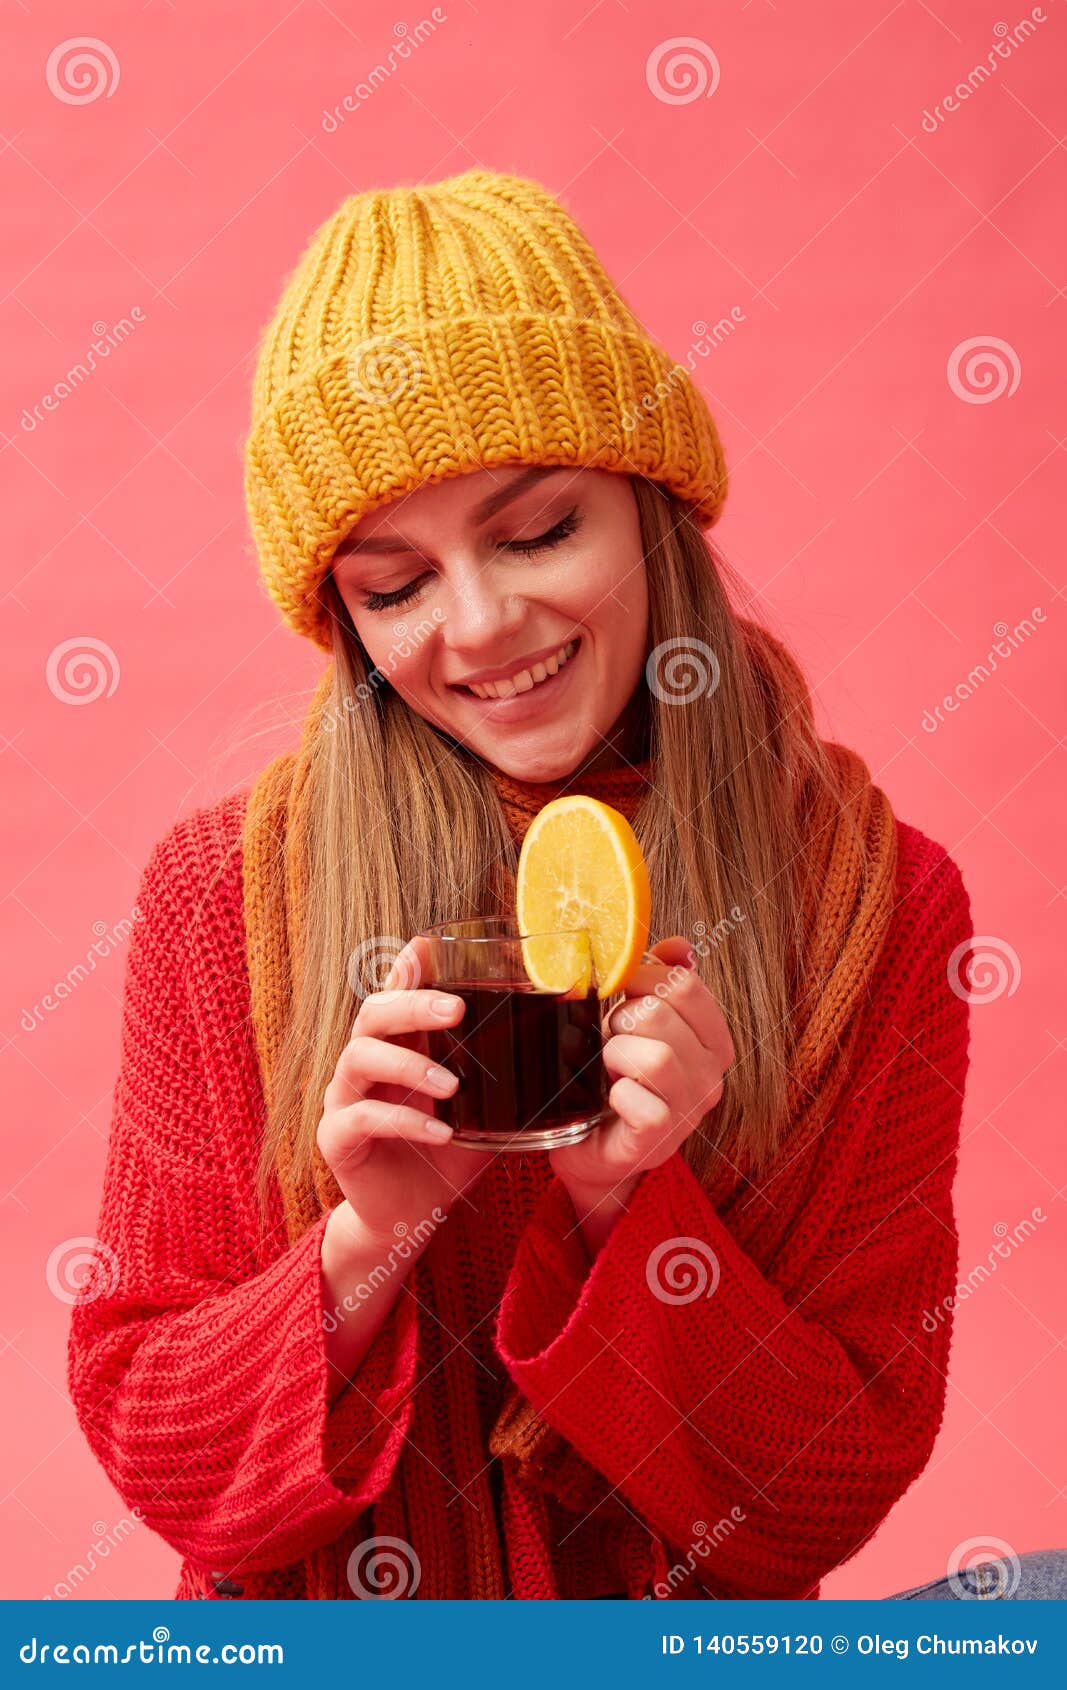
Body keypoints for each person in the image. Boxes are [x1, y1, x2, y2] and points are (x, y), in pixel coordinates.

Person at [65, 166, 1033, 1603]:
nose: (480, 625)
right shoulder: (225, 896)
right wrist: (369, 1239)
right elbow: (163, 1453)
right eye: (394, 586)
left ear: (651, 503)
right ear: (343, 619)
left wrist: (630, 1217)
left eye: (536, 531)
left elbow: (829, 1489)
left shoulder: (874, 903)